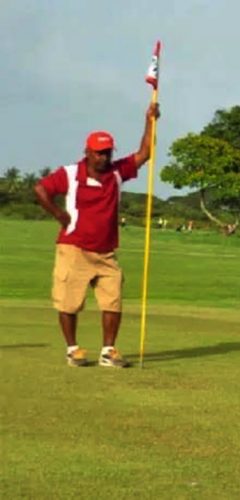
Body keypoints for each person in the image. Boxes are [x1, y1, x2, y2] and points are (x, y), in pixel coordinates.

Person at [34, 101, 160, 368]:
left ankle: (108, 351)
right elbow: (41, 190)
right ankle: (73, 350)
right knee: (69, 303)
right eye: (99, 153)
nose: (104, 157)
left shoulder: (116, 172)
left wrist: (149, 120)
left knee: (113, 300)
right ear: (88, 152)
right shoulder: (70, 174)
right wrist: (58, 214)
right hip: (74, 247)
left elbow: (145, 153)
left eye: (107, 152)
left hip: (106, 252)